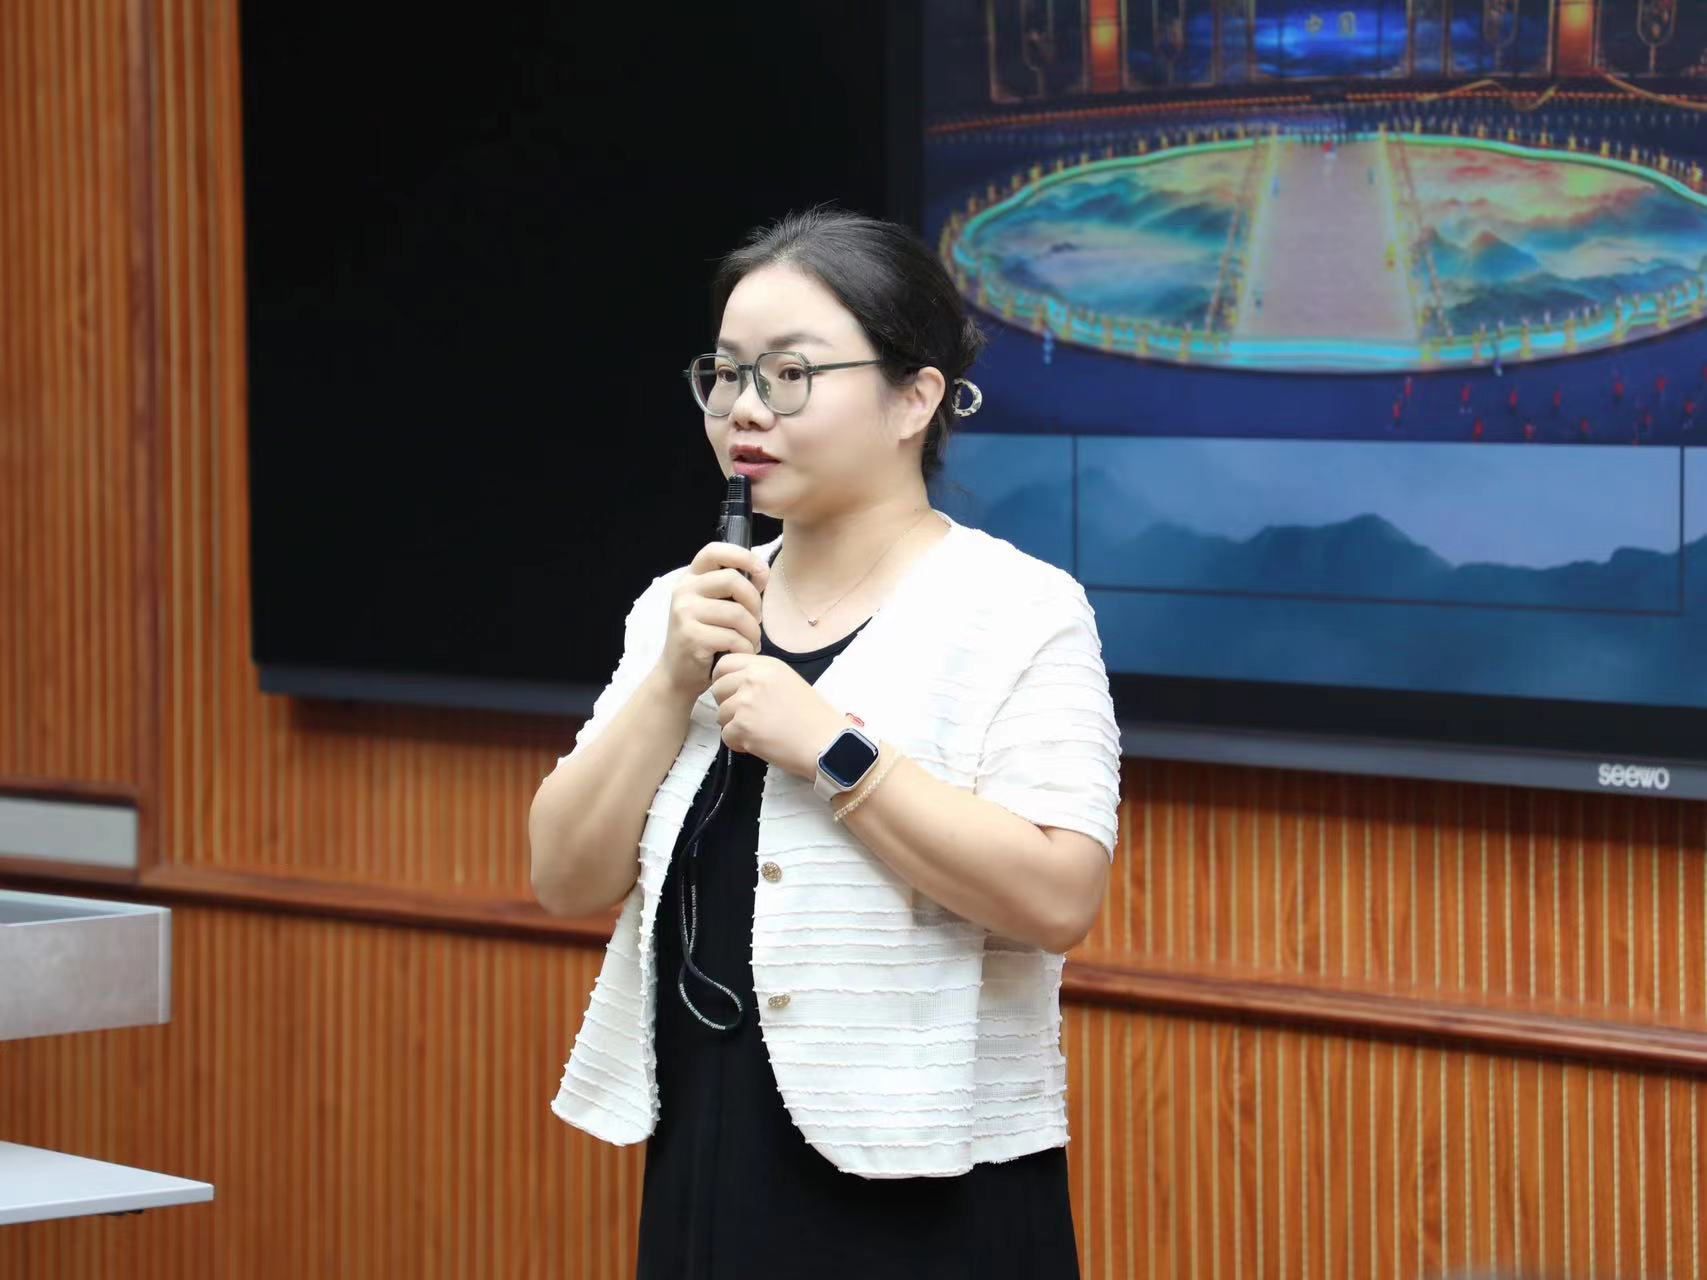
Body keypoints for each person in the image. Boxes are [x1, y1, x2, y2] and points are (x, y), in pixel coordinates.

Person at [529, 207, 1121, 1279]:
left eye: (790, 375)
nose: (743, 410)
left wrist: (833, 751)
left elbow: (1057, 896)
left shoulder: (1018, 609)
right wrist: (668, 684)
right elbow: (563, 876)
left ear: (914, 398)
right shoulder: (680, 606)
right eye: (725, 374)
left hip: (934, 1185)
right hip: (710, 1153)